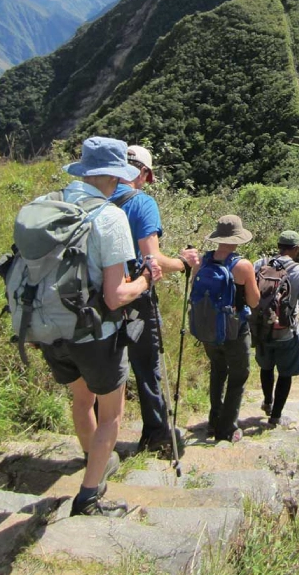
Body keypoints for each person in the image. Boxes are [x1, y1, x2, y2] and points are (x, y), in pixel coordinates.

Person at [39, 136, 163, 517]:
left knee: (81, 399)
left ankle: (94, 460)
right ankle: (89, 495)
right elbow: (114, 296)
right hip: (95, 335)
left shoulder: (48, 204)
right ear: (114, 175)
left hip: (48, 326)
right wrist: (145, 281)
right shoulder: (108, 217)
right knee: (111, 413)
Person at [110, 144, 199, 453]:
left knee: (104, 366)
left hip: (95, 296)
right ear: (144, 174)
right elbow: (154, 260)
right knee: (147, 363)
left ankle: (97, 443)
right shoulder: (142, 203)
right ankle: (157, 434)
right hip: (134, 294)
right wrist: (184, 263)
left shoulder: (93, 198)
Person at [191, 215, 260, 443]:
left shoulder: (202, 261)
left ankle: (213, 421)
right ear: (238, 239)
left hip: (208, 329)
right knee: (239, 374)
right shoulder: (242, 266)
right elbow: (253, 301)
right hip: (235, 330)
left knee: (218, 370)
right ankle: (227, 429)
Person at [253, 230, 299, 426]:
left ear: (279, 245)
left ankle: (268, 401)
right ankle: (276, 416)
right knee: (285, 373)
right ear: (296, 248)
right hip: (287, 332)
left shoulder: (260, 264)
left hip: (262, 329)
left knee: (266, 367)